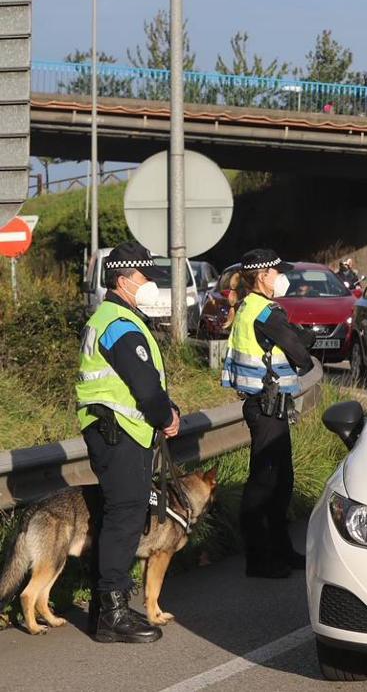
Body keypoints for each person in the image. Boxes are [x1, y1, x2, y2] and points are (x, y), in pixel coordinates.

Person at [75, 241, 182, 643]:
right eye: (145, 276)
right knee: (125, 518)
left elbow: (146, 382)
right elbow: (143, 386)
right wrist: (165, 415)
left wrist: (165, 408)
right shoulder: (119, 324)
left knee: (119, 517)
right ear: (123, 280)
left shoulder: (116, 318)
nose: (151, 282)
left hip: (118, 432)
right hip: (117, 434)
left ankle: (106, 609)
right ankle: (112, 615)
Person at [222, 249, 316, 578]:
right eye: (277, 272)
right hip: (265, 404)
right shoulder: (265, 312)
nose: (281, 278)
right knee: (264, 482)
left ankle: (281, 550)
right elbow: (301, 355)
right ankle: (259, 559)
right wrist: (305, 339)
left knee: (281, 479)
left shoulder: (250, 306)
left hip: (264, 404)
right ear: (263, 276)